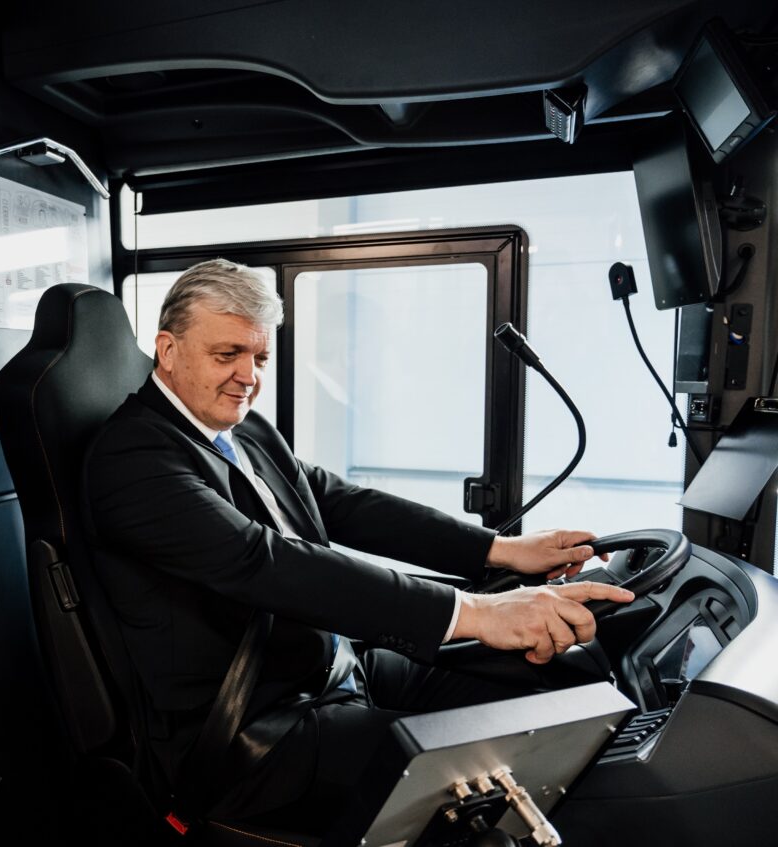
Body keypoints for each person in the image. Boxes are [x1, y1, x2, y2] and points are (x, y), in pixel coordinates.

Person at [83, 258, 633, 832]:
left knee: (546, 706)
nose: (248, 376)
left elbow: (339, 502)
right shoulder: (133, 458)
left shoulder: (242, 429)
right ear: (168, 351)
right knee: (500, 771)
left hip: (331, 666)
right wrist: (479, 612)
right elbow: (267, 563)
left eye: (260, 358)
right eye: (228, 355)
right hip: (256, 727)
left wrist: (499, 550)